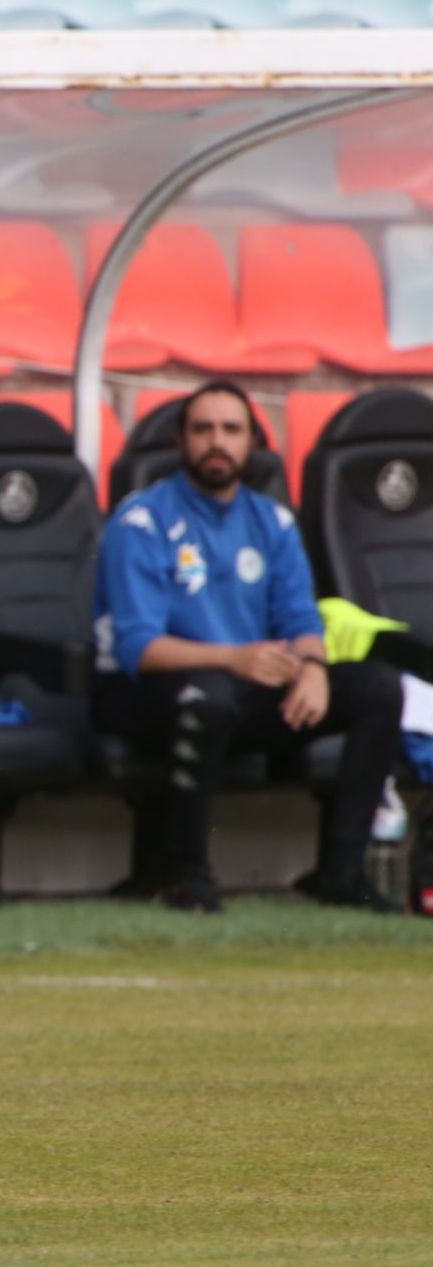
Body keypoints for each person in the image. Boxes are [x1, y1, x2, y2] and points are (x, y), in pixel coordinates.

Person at [93, 379, 404, 914]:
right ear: (180, 441)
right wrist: (234, 658)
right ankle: (186, 874)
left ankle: (340, 874)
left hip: (242, 688)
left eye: (231, 429)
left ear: (253, 443)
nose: (217, 441)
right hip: (144, 694)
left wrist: (312, 668)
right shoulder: (141, 520)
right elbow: (137, 648)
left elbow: (302, 618)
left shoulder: (272, 522)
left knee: (377, 687)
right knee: (209, 696)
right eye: (203, 429)